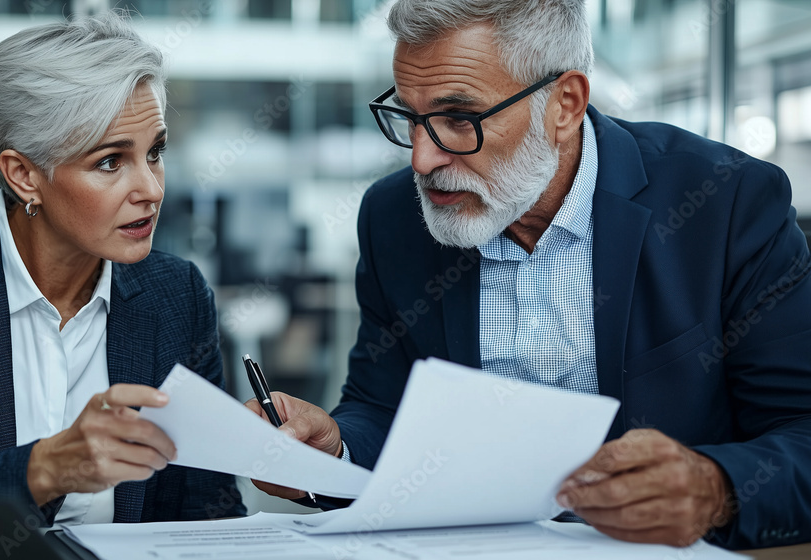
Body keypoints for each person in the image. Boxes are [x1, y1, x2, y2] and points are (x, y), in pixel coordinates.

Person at [247, 0, 811, 551]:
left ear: (564, 104)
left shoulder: (726, 203)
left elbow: (801, 432)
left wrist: (715, 488)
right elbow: (382, 406)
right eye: (410, 117)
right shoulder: (394, 217)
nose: (421, 160)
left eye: (458, 119)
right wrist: (334, 451)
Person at [0, 11, 243, 558]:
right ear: (23, 175)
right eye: (110, 162)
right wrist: (45, 469)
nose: (150, 188)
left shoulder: (176, 293)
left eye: (155, 152)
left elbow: (208, 515)